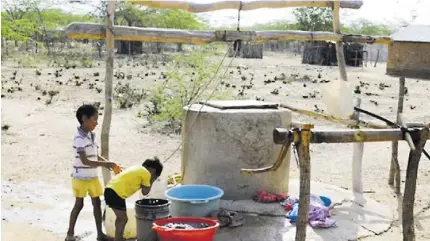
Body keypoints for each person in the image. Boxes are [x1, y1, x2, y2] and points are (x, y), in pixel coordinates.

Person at [66, 104, 118, 241]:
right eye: (94, 119)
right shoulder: (79, 138)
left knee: (97, 204)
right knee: (79, 205)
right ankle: (69, 234)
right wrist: (106, 164)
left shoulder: (91, 136)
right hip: (80, 177)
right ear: (84, 118)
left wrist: (108, 164)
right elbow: (85, 161)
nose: (96, 122)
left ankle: (100, 234)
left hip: (92, 177)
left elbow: (94, 156)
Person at [104, 157, 163, 241]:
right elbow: (145, 192)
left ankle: (118, 237)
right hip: (116, 193)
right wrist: (152, 180)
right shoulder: (146, 174)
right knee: (123, 218)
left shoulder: (136, 168)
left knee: (120, 218)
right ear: (153, 171)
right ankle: (118, 239)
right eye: (155, 175)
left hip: (110, 189)